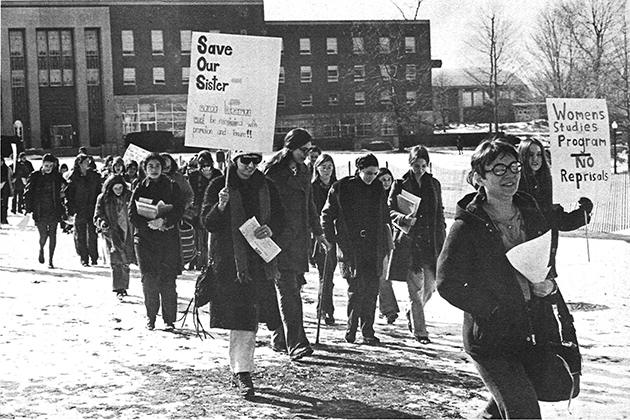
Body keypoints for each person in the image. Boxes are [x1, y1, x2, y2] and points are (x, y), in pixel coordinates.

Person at [436, 139, 592, 418]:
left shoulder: (531, 213)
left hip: (531, 331)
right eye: (498, 169)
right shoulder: (467, 226)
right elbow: (447, 283)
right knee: (524, 411)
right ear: (478, 178)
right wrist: (492, 308)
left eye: (514, 166)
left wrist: (548, 283)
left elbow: (543, 261)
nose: (510, 175)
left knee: (506, 406)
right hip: (491, 339)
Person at [201, 151, 285, 398]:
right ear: (234, 161)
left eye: (255, 161)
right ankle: (241, 372)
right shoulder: (219, 185)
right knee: (239, 318)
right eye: (245, 161)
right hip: (230, 264)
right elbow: (207, 222)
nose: (250, 166)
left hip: (259, 262)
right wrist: (221, 205)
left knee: (249, 318)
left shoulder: (266, 185)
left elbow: (280, 218)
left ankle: (242, 371)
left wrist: (271, 228)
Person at [263, 128, 330, 360]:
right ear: (290, 147)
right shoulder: (273, 169)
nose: (307, 154)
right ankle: (297, 343)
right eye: (304, 149)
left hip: (299, 239)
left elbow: (309, 203)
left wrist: (318, 232)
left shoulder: (303, 170)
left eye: (310, 150)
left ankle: (280, 335)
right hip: (277, 238)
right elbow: (263, 204)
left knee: (291, 288)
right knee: (288, 289)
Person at [321, 154, 390, 345]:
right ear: (359, 170)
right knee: (355, 288)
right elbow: (326, 214)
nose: (372, 177)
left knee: (371, 289)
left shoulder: (377, 187)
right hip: (350, 246)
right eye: (368, 173)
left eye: (375, 173)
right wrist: (329, 238)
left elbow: (384, 214)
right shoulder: (341, 187)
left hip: (373, 246)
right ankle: (351, 329)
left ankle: (368, 331)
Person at [388, 146, 446, 344]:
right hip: (409, 242)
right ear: (410, 164)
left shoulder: (434, 184)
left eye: (423, 165)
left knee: (430, 287)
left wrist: (443, 239)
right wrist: (404, 218)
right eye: (416, 165)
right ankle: (420, 331)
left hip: (430, 242)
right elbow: (389, 210)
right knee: (414, 289)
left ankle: (412, 312)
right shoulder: (400, 184)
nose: (420, 169)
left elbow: (440, 213)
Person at [517, 137, 592, 280]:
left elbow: (559, 221)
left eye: (539, 154)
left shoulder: (549, 184)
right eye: (530, 154)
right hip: (522, 250)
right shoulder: (515, 184)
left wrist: (584, 212)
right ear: (522, 156)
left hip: (546, 251)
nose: (535, 159)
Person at [129, 153, 185, 331]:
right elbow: (132, 214)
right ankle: (151, 318)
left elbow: (179, 210)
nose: (154, 170)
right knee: (149, 280)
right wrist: (149, 225)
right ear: (145, 169)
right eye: (150, 166)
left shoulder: (172, 186)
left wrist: (164, 221)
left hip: (167, 239)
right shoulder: (139, 187)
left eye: (157, 166)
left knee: (168, 280)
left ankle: (169, 320)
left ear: (163, 168)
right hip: (145, 240)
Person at [94, 175, 136, 300]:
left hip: (128, 230)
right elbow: (97, 215)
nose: (118, 190)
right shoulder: (103, 198)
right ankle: (119, 287)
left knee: (126, 260)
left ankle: (124, 284)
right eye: (115, 188)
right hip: (112, 231)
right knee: (116, 259)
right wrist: (102, 223)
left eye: (120, 187)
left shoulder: (130, 196)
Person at [23, 153, 67, 268]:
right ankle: (42, 248)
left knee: (53, 235)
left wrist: (63, 192)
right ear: (42, 165)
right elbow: (28, 193)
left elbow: (67, 186)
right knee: (43, 235)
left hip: (54, 209)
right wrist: (28, 209)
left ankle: (51, 260)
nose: (49, 169)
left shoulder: (56, 176)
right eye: (47, 166)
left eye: (51, 166)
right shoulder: (35, 176)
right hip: (40, 210)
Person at [311, 153, 338, 326]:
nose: (326, 171)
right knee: (325, 273)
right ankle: (326, 309)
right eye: (323, 167)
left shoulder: (338, 186)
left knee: (329, 273)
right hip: (318, 234)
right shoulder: (312, 188)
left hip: (335, 234)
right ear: (317, 168)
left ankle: (323, 306)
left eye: (329, 167)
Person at [186, 150, 222, 270]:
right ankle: (196, 259)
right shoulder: (194, 176)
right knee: (197, 237)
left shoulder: (217, 174)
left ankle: (207, 261)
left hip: (211, 208)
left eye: (208, 166)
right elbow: (191, 192)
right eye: (203, 166)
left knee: (209, 236)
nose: (206, 169)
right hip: (197, 209)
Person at [65, 153, 102, 266]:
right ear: (79, 163)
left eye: (88, 162)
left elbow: (98, 191)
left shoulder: (94, 176)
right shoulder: (73, 177)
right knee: (80, 234)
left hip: (92, 207)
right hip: (79, 208)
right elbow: (69, 194)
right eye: (85, 162)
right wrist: (70, 209)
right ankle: (84, 257)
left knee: (92, 233)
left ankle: (94, 257)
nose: (88, 164)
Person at [375, 167, 399, 325]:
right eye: (382, 180)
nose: (385, 183)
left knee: (385, 274)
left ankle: (384, 308)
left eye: (388, 179)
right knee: (383, 275)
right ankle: (389, 310)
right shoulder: (374, 196)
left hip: (394, 238)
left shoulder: (397, 195)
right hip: (378, 239)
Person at [1, 157, 14, 224]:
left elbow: (10, 177)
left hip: (5, 189)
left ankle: (4, 218)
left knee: (5, 205)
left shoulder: (7, 169)